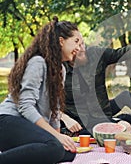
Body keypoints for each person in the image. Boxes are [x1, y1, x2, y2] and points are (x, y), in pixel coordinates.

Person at [61, 30, 131, 135]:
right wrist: (65, 118)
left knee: (125, 113)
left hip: (100, 114)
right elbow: (48, 105)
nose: (82, 48)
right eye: (76, 44)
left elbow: (124, 53)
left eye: (82, 43)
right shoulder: (58, 68)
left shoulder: (95, 54)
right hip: (76, 122)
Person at [0, 17, 80, 164]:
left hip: (27, 126)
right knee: (54, 148)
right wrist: (56, 139)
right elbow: (25, 106)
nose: (79, 48)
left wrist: (59, 137)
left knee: (67, 152)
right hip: (8, 121)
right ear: (61, 41)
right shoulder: (38, 62)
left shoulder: (60, 69)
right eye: (76, 41)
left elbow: (54, 110)